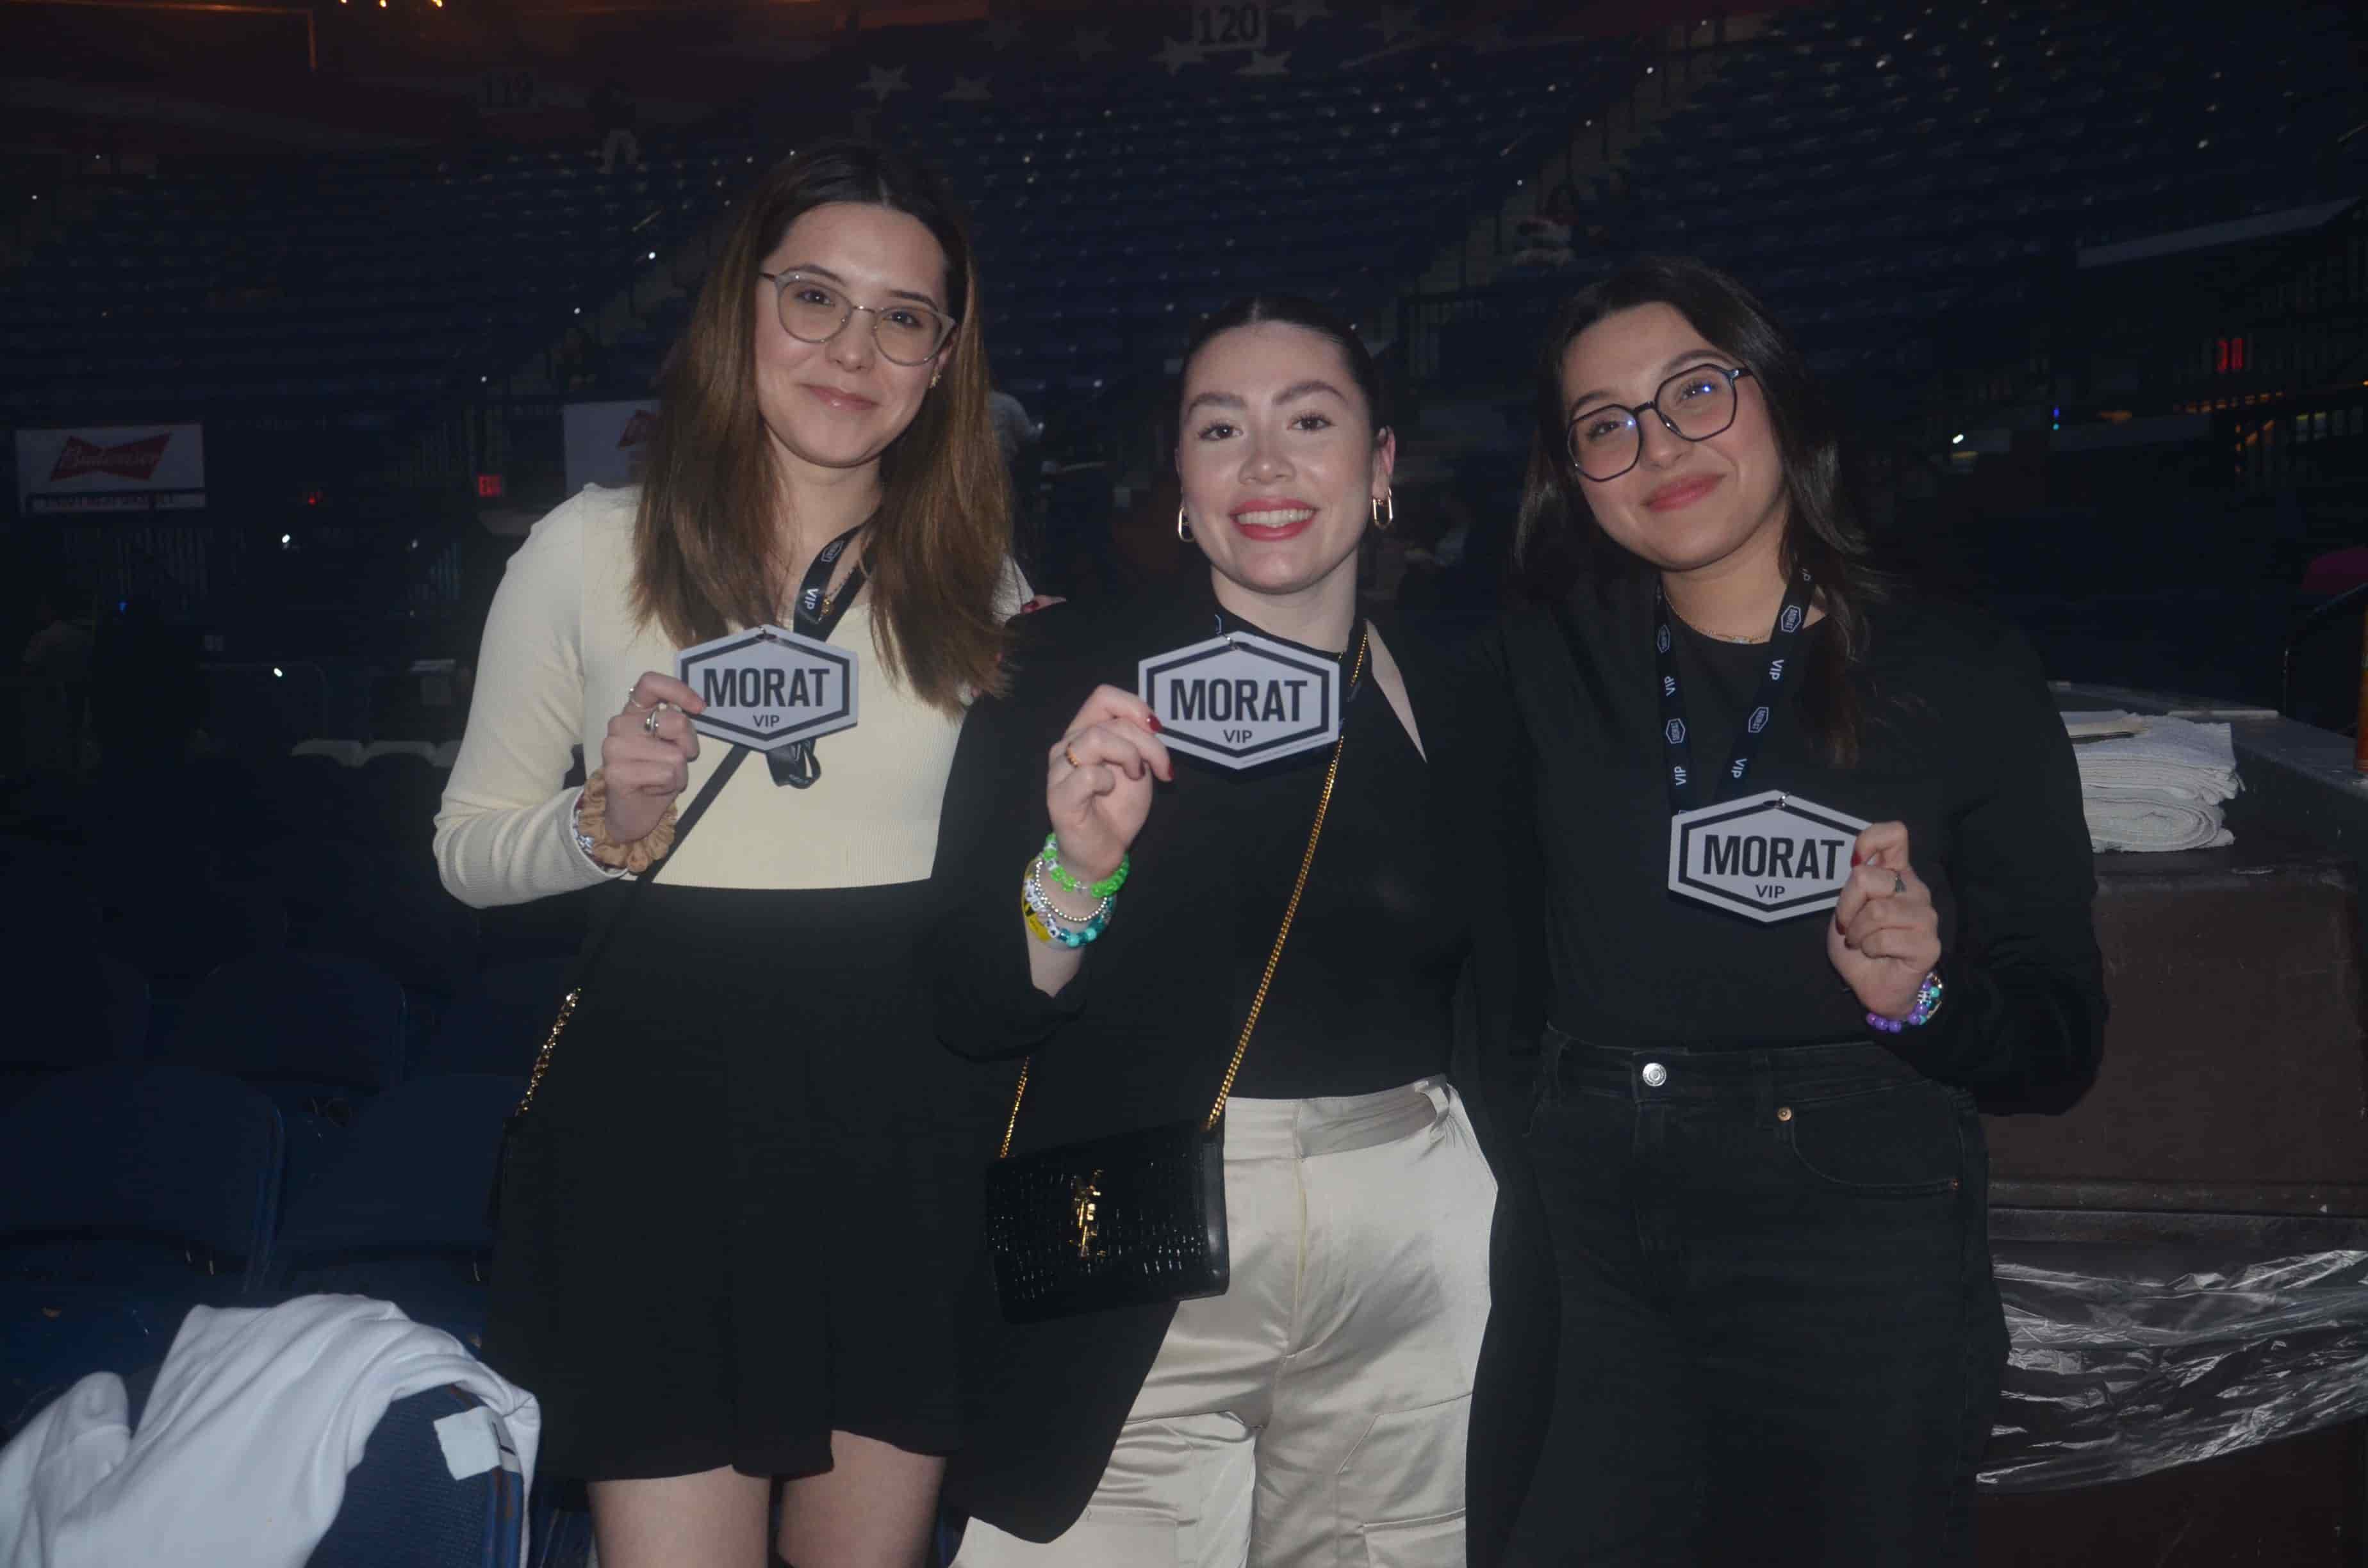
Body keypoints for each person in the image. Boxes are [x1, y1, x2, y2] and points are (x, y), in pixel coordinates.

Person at [434, 140, 1022, 1568]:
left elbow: (1025, 907)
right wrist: (601, 829)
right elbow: (464, 850)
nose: (851, 347)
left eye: (901, 318)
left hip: (911, 1137)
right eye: (812, 297)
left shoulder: (986, 595)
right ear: (739, 313)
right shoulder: (589, 551)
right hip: (661, 1135)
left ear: (942, 361)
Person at [1477, 256, 2107, 1566]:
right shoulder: (1537, 660)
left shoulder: (1959, 671)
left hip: (1856, 1228)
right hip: (1587, 1226)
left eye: (1695, 391)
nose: (1659, 445)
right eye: (1607, 424)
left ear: (1779, 400)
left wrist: (1920, 1002)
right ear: (1572, 478)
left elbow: (2059, 1038)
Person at [928, 295, 1542, 1567]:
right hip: (1130, 1225)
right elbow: (975, 1002)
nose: (1265, 466)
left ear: (1378, 472)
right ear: (1181, 483)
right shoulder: (1057, 676)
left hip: (1414, 1240)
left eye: (1309, 422)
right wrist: (1076, 870)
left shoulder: (1466, 694)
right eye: (1221, 429)